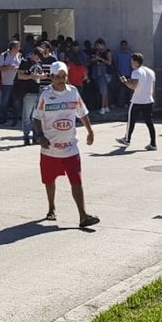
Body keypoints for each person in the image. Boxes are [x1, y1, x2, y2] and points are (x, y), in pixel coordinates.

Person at [33, 61, 100, 228]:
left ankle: (83, 216)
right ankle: (51, 208)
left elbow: (82, 113)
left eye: (64, 76)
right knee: (49, 180)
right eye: (58, 77)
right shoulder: (45, 95)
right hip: (50, 149)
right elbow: (36, 117)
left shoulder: (73, 92)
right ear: (52, 77)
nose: (62, 80)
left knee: (76, 181)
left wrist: (90, 131)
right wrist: (40, 136)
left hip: (70, 147)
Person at [117, 53, 157, 149]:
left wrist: (125, 82)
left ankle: (127, 139)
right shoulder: (150, 71)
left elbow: (133, 86)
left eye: (131, 61)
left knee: (131, 121)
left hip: (137, 100)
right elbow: (151, 86)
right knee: (149, 123)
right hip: (148, 100)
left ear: (135, 61)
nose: (131, 63)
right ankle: (153, 143)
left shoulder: (136, 72)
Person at [16, 47, 50, 145]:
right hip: (28, 91)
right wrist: (31, 76)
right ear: (34, 55)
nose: (38, 59)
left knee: (36, 115)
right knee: (27, 115)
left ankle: (36, 136)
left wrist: (43, 76)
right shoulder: (25, 62)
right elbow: (20, 75)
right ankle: (26, 136)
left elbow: (40, 73)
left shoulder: (38, 64)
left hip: (38, 91)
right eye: (38, 57)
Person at [0, 40, 22, 125]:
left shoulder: (20, 55)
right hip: (6, 82)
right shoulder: (4, 55)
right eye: (18, 47)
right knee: (5, 101)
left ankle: (15, 120)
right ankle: (3, 118)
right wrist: (8, 67)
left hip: (17, 82)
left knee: (16, 102)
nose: (19, 49)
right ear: (13, 47)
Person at [89, 39, 113, 114]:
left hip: (104, 73)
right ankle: (106, 106)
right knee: (103, 91)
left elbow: (109, 62)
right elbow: (91, 61)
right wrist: (94, 59)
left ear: (102, 44)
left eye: (98, 45)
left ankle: (103, 107)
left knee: (103, 90)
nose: (97, 47)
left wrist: (100, 59)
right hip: (97, 72)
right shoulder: (97, 52)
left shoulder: (107, 52)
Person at [113, 40, 134, 108]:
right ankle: (118, 104)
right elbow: (115, 64)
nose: (124, 46)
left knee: (128, 90)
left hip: (129, 74)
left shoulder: (130, 54)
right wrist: (118, 73)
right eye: (122, 45)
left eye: (125, 45)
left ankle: (128, 103)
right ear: (120, 46)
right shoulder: (117, 54)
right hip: (120, 74)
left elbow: (132, 64)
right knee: (119, 90)